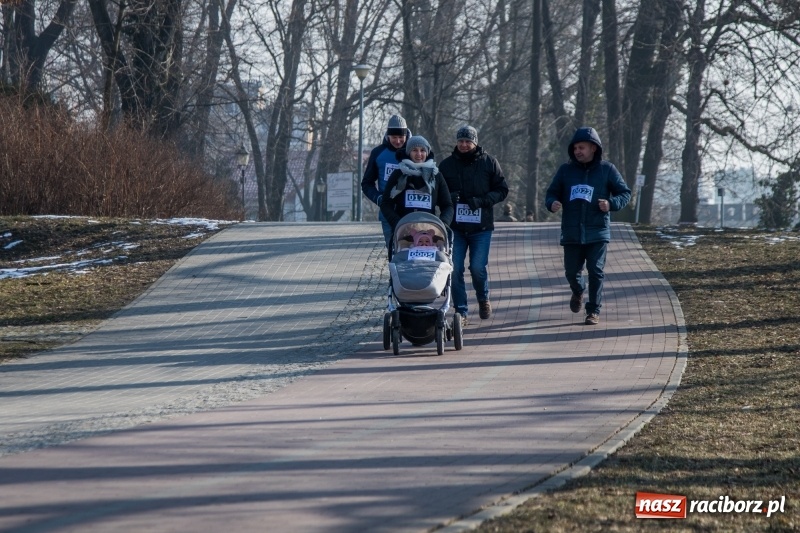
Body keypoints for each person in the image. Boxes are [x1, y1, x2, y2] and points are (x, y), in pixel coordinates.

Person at [544, 126, 631, 325]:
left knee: (595, 271)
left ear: (593, 148)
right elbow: (551, 193)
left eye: (582, 148)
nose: (578, 152)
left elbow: (624, 193)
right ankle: (578, 290)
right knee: (571, 273)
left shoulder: (607, 169)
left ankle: (593, 311)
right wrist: (552, 203)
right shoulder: (566, 170)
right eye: (575, 148)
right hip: (572, 232)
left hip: (597, 231)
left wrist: (611, 204)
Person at [439, 125, 509, 325]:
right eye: (460, 141)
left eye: (467, 141)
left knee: (478, 268)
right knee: (456, 267)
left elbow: (502, 190)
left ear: (475, 143)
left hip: (481, 228)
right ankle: (461, 311)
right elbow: (437, 193)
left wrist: (481, 201)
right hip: (456, 228)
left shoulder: (489, 163)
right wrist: (449, 197)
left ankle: (483, 297)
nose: (463, 144)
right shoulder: (446, 165)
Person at [380, 136, 454, 237]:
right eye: (414, 150)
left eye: (422, 150)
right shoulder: (398, 174)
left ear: (427, 152)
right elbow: (386, 204)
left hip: (430, 233)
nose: (419, 154)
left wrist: (443, 224)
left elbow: (448, 206)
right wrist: (397, 223)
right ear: (408, 152)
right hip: (403, 233)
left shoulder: (436, 176)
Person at [361, 115, 412, 256]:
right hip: (388, 211)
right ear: (387, 135)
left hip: (412, 210)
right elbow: (367, 183)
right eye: (393, 137)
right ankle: (394, 278)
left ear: (407, 135)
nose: (397, 141)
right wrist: (378, 198)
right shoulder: (378, 153)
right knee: (394, 252)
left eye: (401, 137)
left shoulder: (415, 151)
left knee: (413, 251)